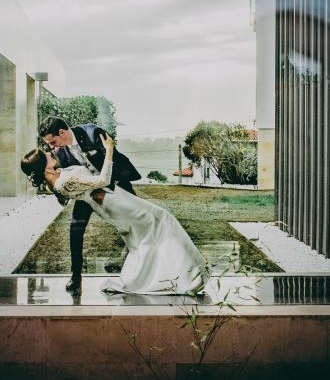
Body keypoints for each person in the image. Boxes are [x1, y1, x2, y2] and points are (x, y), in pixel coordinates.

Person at [21, 134, 207, 296]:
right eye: (45, 155)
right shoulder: (64, 182)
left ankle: (167, 276)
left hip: (112, 198)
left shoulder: (57, 178)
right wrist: (109, 148)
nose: (50, 153)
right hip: (114, 203)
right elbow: (102, 180)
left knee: (147, 233)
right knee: (161, 220)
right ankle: (184, 276)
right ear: (44, 167)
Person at [38, 117, 142, 293]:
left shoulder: (93, 133)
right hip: (87, 194)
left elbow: (113, 160)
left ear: (61, 132)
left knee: (136, 219)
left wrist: (105, 189)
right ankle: (75, 275)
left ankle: (137, 261)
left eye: (52, 142)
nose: (52, 147)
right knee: (75, 228)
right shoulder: (60, 153)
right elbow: (61, 179)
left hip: (116, 183)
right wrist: (63, 194)